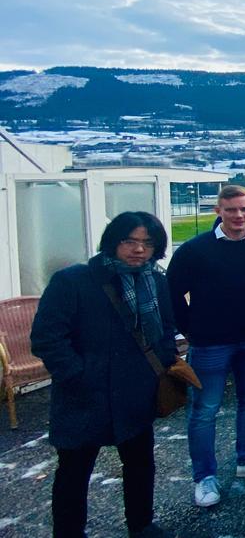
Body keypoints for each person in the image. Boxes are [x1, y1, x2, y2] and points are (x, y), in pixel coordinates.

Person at [32, 212, 178, 538]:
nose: (138, 250)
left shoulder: (155, 280)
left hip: (135, 392)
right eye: (129, 241)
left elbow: (166, 328)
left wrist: (162, 363)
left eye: (147, 243)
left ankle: (141, 525)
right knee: (74, 471)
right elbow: (47, 338)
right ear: (113, 242)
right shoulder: (73, 280)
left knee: (140, 464)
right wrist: (76, 375)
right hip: (85, 395)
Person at [168, 186, 245, 507]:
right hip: (210, 344)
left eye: (244, 210)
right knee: (205, 410)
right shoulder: (195, 250)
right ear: (218, 211)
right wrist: (190, 329)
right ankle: (204, 477)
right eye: (231, 210)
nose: (238, 215)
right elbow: (172, 294)